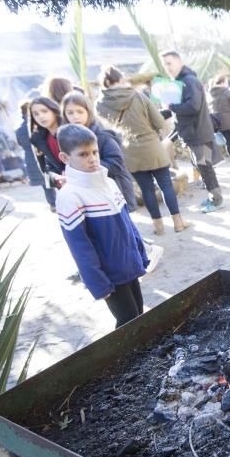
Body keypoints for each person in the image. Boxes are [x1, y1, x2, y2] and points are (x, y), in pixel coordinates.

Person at [54, 124, 149, 328]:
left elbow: (127, 223)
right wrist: (97, 282)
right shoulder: (70, 196)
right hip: (109, 275)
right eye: (83, 154)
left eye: (95, 152)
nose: (92, 159)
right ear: (65, 157)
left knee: (139, 314)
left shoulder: (109, 183)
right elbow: (80, 246)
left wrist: (140, 253)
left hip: (128, 264)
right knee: (128, 322)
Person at [97, 65, 187, 234]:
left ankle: (158, 227)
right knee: (166, 185)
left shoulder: (99, 104)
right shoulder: (137, 96)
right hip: (152, 145)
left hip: (129, 149)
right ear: (120, 79)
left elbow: (106, 129)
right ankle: (178, 223)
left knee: (146, 190)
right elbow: (159, 122)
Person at [161, 51, 224, 213]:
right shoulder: (179, 81)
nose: (167, 67)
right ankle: (213, 196)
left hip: (198, 133)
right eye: (164, 64)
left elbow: (193, 106)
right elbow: (176, 110)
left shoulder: (188, 81)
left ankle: (217, 200)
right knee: (202, 166)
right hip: (193, 133)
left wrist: (171, 107)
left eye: (169, 63)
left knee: (205, 166)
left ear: (179, 61)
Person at [61, 91, 137, 209]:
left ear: (89, 112)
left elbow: (117, 162)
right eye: (70, 113)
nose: (75, 116)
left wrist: (87, 166)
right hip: (90, 193)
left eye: (80, 111)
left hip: (114, 189)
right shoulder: (68, 137)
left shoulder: (102, 135)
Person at [15, 92, 55, 209]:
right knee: (53, 180)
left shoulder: (19, 129)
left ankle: (52, 203)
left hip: (29, 157)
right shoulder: (39, 125)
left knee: (45, 184)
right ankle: (60, 203)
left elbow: (20, 144)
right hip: (43, 155)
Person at [28, 96, 67, 190]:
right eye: (36, 114)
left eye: (44, 111)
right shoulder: (39, 139)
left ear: (54, 110)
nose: (41, 116)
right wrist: (57, 181)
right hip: (64, 188)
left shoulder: (70, 131)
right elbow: (46, 169)